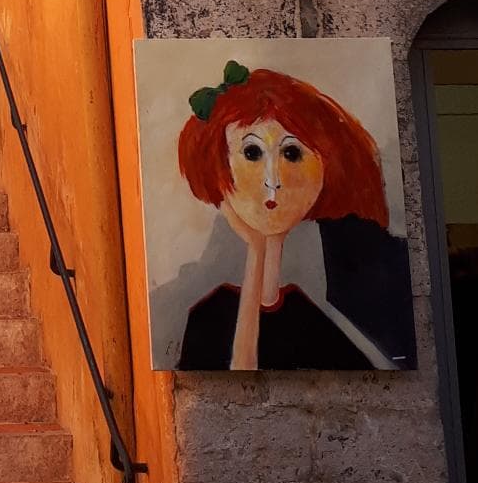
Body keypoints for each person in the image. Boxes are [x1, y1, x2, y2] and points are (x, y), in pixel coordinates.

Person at [175, 61, 413, 371]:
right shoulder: (208, 315)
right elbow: (239, 378)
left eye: (291, 153)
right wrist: (255, 249)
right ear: (218, 164)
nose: (272, 179)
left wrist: (257, 249)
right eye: (252, 153)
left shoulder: (317, 318)